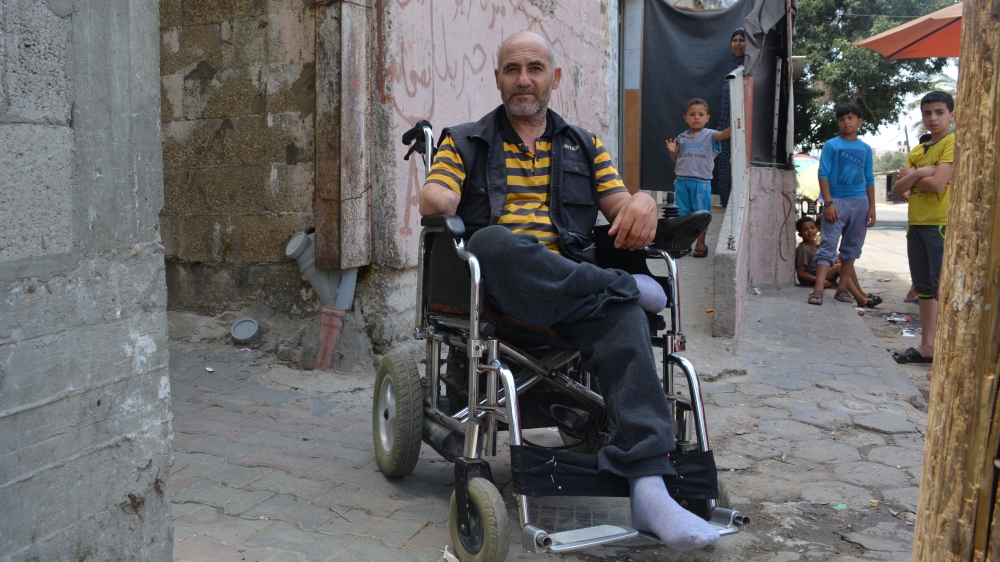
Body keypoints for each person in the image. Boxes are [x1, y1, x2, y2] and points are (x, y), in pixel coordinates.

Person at [418, 31, 720, 552]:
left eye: (535, 68)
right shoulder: (464, 141)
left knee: (623, 319)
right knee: (493, 241)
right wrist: (439, 195)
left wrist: (645, 201)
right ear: (498, 79)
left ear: (554, 78)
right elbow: (436, 194)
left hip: (571, 291)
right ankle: (621, 285)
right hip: (498, 290)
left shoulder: (584, 145)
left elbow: (622, 208)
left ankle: (649, 488)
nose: (524, 79)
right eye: (512, 69)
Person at [890, 91, 955, 371]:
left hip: (940, 223)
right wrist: (919, 174)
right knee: (925, 289)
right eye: (927, 113)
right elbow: (896, 188)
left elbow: (939, 184)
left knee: (944, 289)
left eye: (939, 112)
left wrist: (912, 176)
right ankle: (928, 347)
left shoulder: (953, 142)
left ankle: (949, 350)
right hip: (916, 224)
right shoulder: (919, 150)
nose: (933, 118)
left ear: (952, 115)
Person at [807, 103, 882, 308]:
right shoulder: (832, 145)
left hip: (860, 203)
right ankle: (819, 290)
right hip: (837, 202)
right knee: (828, 246)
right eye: (841, 119)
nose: (846, 122)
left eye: (850, 118)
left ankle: (842, 290)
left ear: (859, 121)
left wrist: (872, 207)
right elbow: (823, 173)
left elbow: (869, 178)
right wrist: (828, 203)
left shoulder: (865, 149)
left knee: (851, 248)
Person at [665, 99, 731, 257]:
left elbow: (723, 135)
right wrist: (673, 151)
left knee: (701, 214)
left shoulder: (710, 135)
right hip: (681, 181)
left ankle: (701, 243)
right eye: (692, 114)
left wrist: (735, 125)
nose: (696, 117)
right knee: (682, 214)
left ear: (707, 118)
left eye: (700, 114)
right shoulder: (682, 137)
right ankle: (683, 244)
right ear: (685, 118)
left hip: (700, 182)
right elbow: (677, 159)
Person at [717, 28, 746, 209]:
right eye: (734, 40)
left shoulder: (749, 67)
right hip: (727, 124)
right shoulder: (731, 67)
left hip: (742, 125)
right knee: (726, 164)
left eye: (741, 40)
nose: (737, 43)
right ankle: (727, 202)